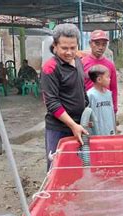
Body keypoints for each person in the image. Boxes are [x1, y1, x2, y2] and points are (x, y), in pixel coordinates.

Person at [41, 23, 88, 171]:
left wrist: (86, 115)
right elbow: (52, 103)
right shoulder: (50, 68)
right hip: (59, 128)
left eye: (73, 48)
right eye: (64, 48)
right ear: (55, 45)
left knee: (78, 166)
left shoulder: (79, 61)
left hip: (80, 125)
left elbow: (82, 89)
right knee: (57, 168)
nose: (69, 52)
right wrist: (72, 125)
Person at [82, 30, 118, 114]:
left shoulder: (110, 65)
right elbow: (78, 87)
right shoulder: (82, 63)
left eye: (104, 44)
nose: (101, 47)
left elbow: (113, 88)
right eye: (97, 43)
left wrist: (114, 109)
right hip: (89, 106)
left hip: (105, 105)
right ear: (90, 43)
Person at [87, 65, 116, 135]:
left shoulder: (109, 94)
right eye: (107, 77)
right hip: (96, 133)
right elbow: (86, 115)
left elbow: (111, 113)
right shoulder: (90, 95)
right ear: (99, 79)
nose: (110, 79)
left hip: (109, 131)